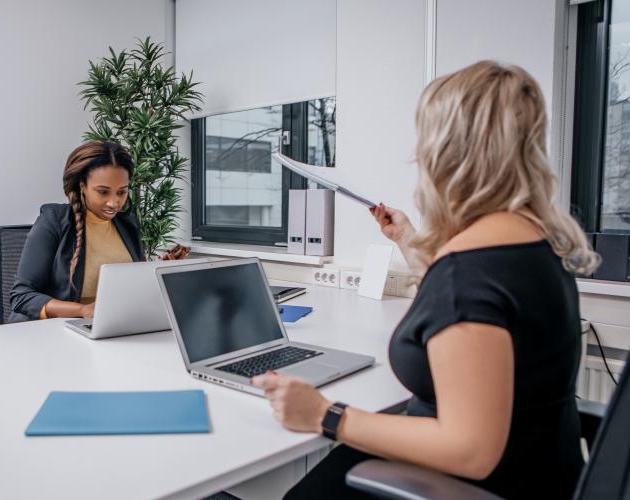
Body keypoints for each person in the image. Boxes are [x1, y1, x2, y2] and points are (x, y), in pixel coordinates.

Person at [252, 60, 601, 499]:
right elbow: (464, 302)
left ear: (447, 152)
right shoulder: (536, 242)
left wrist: (325, 414)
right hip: (545, 471)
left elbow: (471, 449)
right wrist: (407, 239)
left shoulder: (470, 270)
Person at [9, 140, 188, 322]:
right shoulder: (54, 220)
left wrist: (158, 271)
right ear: (82, 186)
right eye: (103, 192)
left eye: (121, 192)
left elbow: (130, 292)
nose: (114, 203)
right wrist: (84, 311)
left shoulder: (128, 225)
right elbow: (22, 296)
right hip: (57, 331)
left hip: (111, 327)